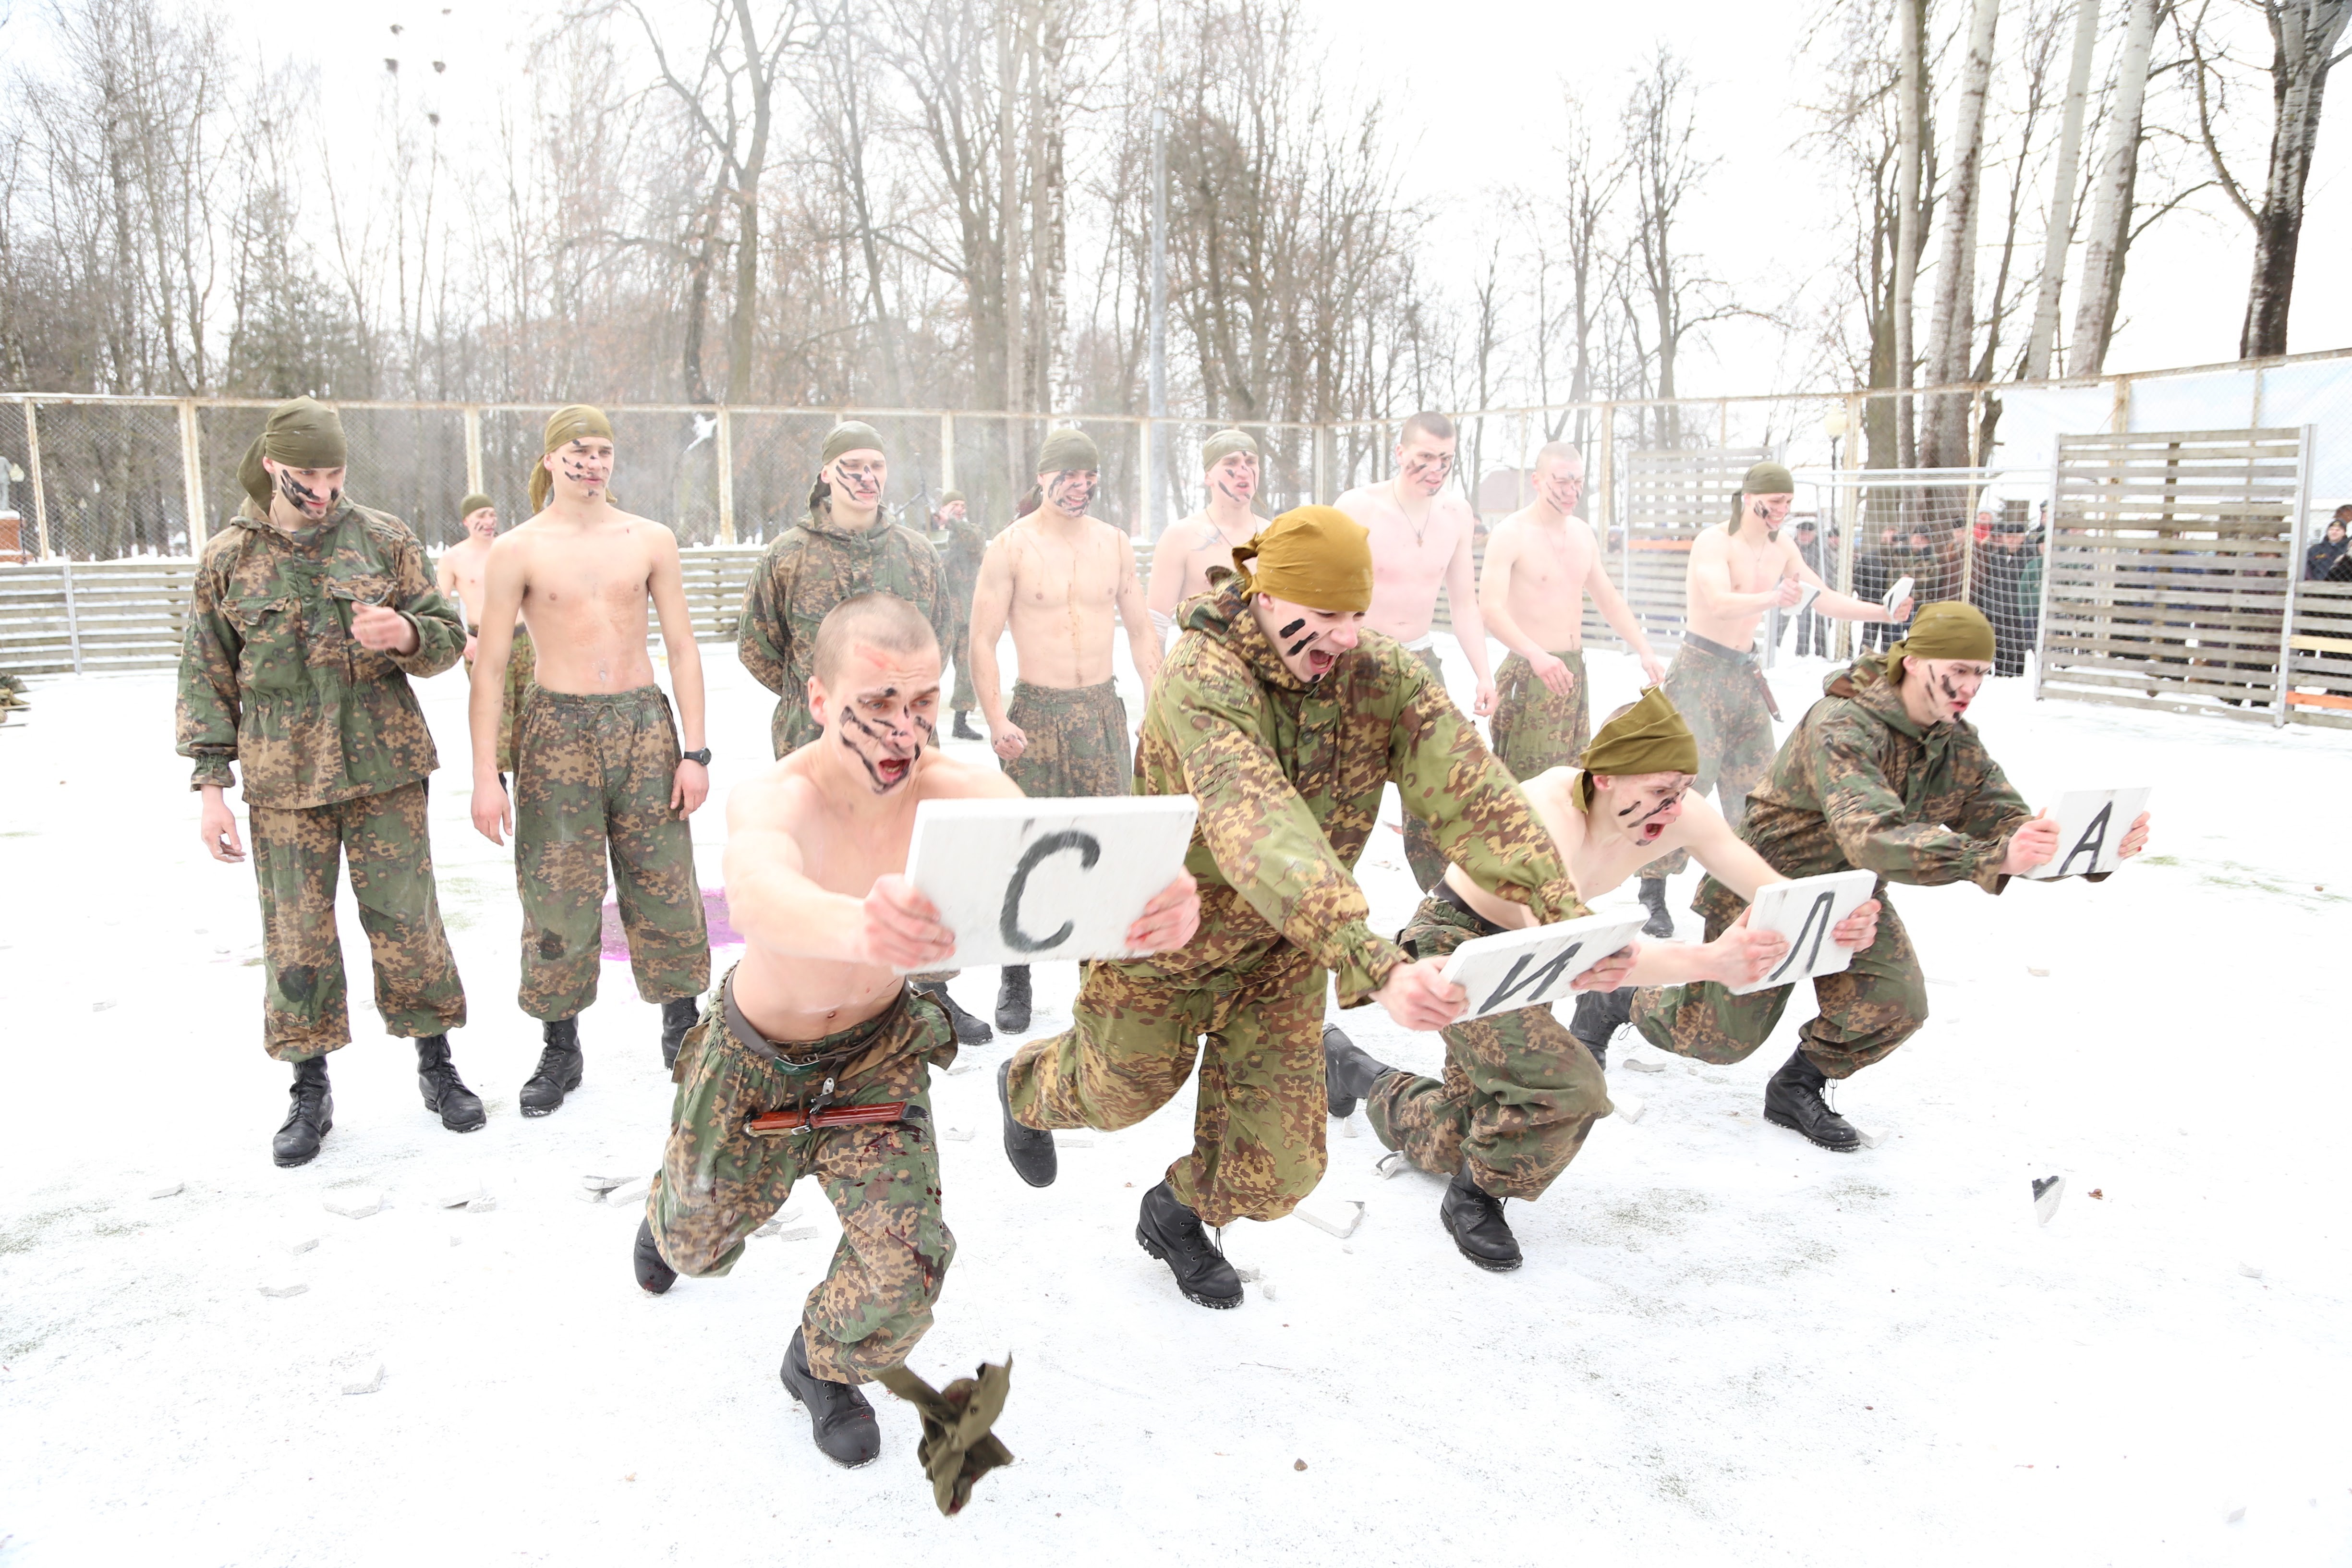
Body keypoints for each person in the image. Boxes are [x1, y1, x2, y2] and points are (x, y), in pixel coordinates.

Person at [634, 593, 1199, 1474]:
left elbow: (1045, 869)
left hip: (877, 1060)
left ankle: (819, 1364)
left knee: (908, 1273)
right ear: (820, 702)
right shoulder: (777, 795)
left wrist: (1144, 911)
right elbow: (755, 891)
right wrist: (862, 928)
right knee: (693, 1251)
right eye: (877, 703)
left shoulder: (956, 788)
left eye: (924, 701)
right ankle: (669, 1209)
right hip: (754, 1063)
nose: (904, 728)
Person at [994, 506, 1581, 1310]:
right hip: (1165, 943)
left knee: (1279, 1170)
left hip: (1281, 956)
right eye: (1326, 615)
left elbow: (1467, 784)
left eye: (1356, 614)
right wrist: (1370, 956)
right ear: (1267, 597)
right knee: (1116, 1094)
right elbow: (1256, 822)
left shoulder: (1378, 674)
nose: (1345, 635)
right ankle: (1025, 1086)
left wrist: (1557, 904)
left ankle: (1173, 1216)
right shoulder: (1200, 679)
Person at [1330, 686, 1879, 1268]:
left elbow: (1769, 890)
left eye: (1680, 792)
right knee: (1567, 1088)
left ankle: (1354, 1071)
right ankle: (1475, 1195)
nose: (1671, 811)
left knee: (1466, 1126)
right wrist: (1711, 960)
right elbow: (1580, 953)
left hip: (1539, 955)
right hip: (1461, 942)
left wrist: (1835, 921)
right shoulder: (1544, 813)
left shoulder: (1677, 811)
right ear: (1605, 776)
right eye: (1658, 793)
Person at [1576, 604, 2153, 1151]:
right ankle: (1621, 1002)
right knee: (1716, 1040)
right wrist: (1992, 858)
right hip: (1766, 886)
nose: (1969, 687)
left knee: (1895, 1002)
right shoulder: (1843, 724)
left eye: (1980, 673)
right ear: (1913, 662)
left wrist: (2083, 849)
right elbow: (1872, 835)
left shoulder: (1953, 742)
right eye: (1957, 670)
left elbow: (2005, 824)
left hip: (1854, 896)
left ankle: (1796, 1087)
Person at [177, 397, 474, 1166]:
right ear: (274, 465)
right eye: (307, 473)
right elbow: (207, 676)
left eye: (335, 472)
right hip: (283, 778)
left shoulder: (382, 538)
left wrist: (406, 633)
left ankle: (436, 1064)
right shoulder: (228, 558)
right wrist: (211, 786)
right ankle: (309, 1088)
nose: (323, 488)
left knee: (409, 922)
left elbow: (445, 635)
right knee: (298, 938)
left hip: (384, 766)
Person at [467, 405, 714, 1108]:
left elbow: (684, 648)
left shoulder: (649, 539)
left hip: (642, 725)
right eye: (576, 452)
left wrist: (694, 751)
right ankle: (559, 1046)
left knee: (663, 881)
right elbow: (489, 671)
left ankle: (682, 1027)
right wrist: (487, 776)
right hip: (556, 729)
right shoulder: (516, 548)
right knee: (557, 893)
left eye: (602, 451)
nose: (591, 464)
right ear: (550, 460)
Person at [735, 424, 987, 1045]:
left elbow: (942, 635)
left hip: (905, 744)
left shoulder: (915, 555)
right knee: (817, 866)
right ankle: (822, 1001)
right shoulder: (788, 555)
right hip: (813, 740)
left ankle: (933, 993)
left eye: (876, 464)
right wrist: (818, 704)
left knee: (919, 860)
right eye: (852, 464)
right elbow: (756, 645)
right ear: (826, 474)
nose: (867, 476)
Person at [1631, 462, 1913, 939]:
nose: (1781, 512)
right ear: (1748, 498)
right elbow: (1718, 601)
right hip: (1699, 672)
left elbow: (1816, 596)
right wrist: (1770, 597)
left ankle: (1742, 892)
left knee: (1758, 792)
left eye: (1787, 503)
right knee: (1684, 786)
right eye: (1774, 503)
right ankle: (1652, 886)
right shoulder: (1714, 542)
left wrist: (1880, 612)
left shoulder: (1780, 546)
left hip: (1743, 677)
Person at [967, 427, 1162, 1033]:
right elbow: (980, 638)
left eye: (1088, 475)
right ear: (1043, 478)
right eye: (1067, 475)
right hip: (1037, 715)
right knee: (1025, 845)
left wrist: (1156, 703)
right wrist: (997, 717)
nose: (1079, 486)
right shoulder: (1010, 547)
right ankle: (1015, 971)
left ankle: (1098, 979)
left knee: (1103, 846)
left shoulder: (1114, 544)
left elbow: (1139, 631)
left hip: (1100, 711)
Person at [1333, 412, 1499, 890]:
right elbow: (1327, 592)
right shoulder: (1356, 507)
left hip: (1421, 666)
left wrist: (1483, 674)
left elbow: (1463, 602)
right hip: (1358, 663)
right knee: (1346, 796)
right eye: (1424, 457)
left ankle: (1440, 910)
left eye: (1444, 459)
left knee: (1436, 795)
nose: (1435, 468)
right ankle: (1324, 903)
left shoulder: (1455, 514)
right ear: (1399, 452)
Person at [1475, 440, 1665, 779]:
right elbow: (1490, 609)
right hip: (1531, 672)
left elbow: (1608, 598)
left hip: (1573, 672)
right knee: (1525, 789)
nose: (1571, 491)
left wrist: (1644, 649)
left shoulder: (1582, 533)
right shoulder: (1511, 533)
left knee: (1571, 779)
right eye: (1561, 481)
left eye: (1578, 482)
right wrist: (1535, 654)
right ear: (1537, 480)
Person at [436, 492, 535, 782]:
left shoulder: (512, 549)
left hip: (524, 640)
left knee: (532, 717)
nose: (489, 522)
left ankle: (530, 789)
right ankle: (495, 786)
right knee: (493, 719)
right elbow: (438, 607)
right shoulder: (453, 558)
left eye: (492, 515)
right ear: (466, 521)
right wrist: (464, 640)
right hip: (484, 642)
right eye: (481, 516)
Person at [1145, 429, 1264, 647]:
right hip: (1204, 672)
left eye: (1251, 462)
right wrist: (1156, 681)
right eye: (1231, 462)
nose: (1243, 471)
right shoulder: (1182, 536)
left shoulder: (1273, 535)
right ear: (1208, 476)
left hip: (1266, 672)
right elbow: (1155, 625)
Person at [933, 490, 988, 739]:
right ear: (943, 507)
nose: (960, 509)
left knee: (967, 671)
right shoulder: (931, 534)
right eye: (955, 505)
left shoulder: (970, 532)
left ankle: (961, 722)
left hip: (965, 614)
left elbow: (975, 542)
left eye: (963, 505)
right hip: (939, 615)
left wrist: (952, 522)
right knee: (930, 668)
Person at [1784, 516, 1828, 657]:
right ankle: (1796, 652)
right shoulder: (1792, 547)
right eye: (1801, 533)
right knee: (1794, 621)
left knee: (1818, 622)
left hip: (1815, 589)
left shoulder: (1821, 549)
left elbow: (1826, 570)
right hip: (1793, 589)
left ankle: (1820, 653)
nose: (1803, 537)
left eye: (1807, 534)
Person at [2307, 511, 2350, 581]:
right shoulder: (2315, 550)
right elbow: (2307, 569)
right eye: (2331, 529)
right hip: (2317, 585)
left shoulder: (2348, 549)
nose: (2334, 532)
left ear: (2344, 533)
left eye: (2338, 530)